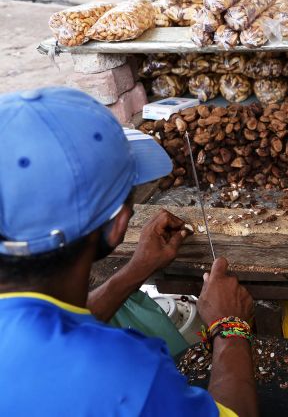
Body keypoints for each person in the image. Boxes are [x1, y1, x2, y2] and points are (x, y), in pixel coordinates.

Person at [0, 87, 257, 416]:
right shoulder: (125, 376)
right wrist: (229, 326)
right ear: (120, 224)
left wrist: (136, 270)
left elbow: (38, 335)